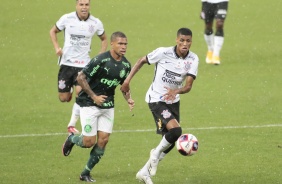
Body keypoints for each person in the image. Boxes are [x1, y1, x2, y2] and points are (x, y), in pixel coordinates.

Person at [121, 28, 199, 184]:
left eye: (188, 41)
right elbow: (141, 61)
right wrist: (127, 80)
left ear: (191, 41)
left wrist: (175, 91)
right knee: (176, 130)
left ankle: (144, 172)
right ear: (176, 40)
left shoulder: (193, 59)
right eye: (182, 40)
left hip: (173, 100)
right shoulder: (163, 53)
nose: (185, 44)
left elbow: (189, 86)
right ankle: (155, 155)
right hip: (156, 99)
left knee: (172, 137)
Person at [62, 31, 134, 182]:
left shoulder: (126, 65)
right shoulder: (100, 60)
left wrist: (128, 98)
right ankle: (72, 139)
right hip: (89, 104)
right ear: (112, 44)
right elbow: (80, 77)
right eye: (120, 44)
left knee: (103, 140)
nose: (123, 47)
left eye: (125, 44)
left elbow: (124, 86)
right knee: (88, 142)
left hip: (108, 106)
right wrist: (94, 96)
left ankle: (85, 173)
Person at [49, 0, 108, 133]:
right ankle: (68, 91)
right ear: (76, 6)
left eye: (86, 4)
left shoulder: (95, 22)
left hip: (84, 65)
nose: (84, 7)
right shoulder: (67, 18)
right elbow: (52, 31)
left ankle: (71, 125)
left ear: (89, 6)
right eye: (81, 4)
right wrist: (57, 48)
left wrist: (100, 55)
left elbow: (104, 38)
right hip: (67, 64)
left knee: (81, 93)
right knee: (64, 98)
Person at [200, 0, 229, 65]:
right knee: (208, 27)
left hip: (222, 2)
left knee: (219, 24)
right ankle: (210, 49)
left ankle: (216, 54)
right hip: (207, 2)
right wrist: (202, 7)